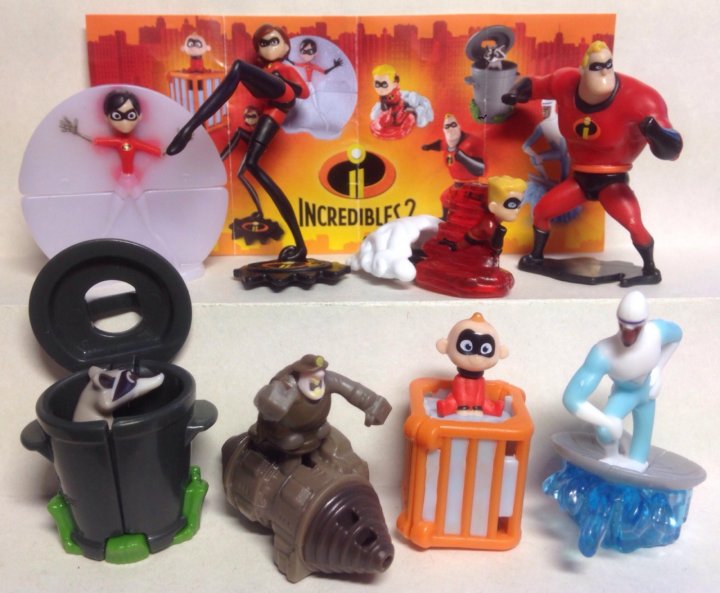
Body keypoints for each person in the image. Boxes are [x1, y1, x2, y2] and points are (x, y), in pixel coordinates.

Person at [502, 41, 683, 286]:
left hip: (613, 181)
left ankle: (650, 269)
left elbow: (672, 151)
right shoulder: (566, 82)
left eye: (608, 65)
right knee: (542, 211)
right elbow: (535, 84)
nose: (604, 71)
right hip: (579, 177)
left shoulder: (642, 100)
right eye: (597, 66)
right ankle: (535, 258)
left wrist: (656, 133)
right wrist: (515, 94)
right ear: (584, 69)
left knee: (633, 225)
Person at [167, 24, 310, 262]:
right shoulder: (267, 69)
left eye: (274, 41)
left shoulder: (284, 68)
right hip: (271, 111)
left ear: (286, 47)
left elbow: (303, 92)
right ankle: (300, 245)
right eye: (263, 43)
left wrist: (282, 81)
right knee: (252, 164)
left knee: (239, 68)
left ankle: (189, 128)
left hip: (283, 96)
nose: (269, 47)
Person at [562, 291, 682, 471]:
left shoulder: (656, 332)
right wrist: (607, 422)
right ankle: (613, 456)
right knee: (605, 431)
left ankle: (636, 459)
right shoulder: (603, 353)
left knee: (640, 454)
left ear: (643, 324)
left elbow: (677, 335)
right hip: (625, 394)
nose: (628, 336)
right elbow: (572, 399)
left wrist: (658, 369)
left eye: (635, 330)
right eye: (624, 328)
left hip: (648, 392)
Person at [436, 313, 509, 417]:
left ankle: (491, 408)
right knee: (452, 401)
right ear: (445, 346)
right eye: (467, 347)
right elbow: (460, 393)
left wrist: (477, 406)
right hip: (460, 403)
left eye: (485, 349)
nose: (476, 357)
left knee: (483, 400)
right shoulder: (459, 380)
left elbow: (479, 394)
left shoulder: (481, 380)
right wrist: (463, 406)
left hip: (478, 405)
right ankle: (449, 407)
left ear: (500, 352)